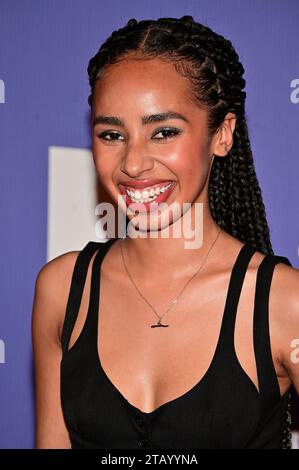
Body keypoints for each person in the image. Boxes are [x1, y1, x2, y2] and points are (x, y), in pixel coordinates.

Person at [31, 15, 299, 449]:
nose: (134, 163)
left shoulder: (284, 303)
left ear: (222, 134)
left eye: (164, 132)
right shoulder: (61, 290)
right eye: (112, 133)